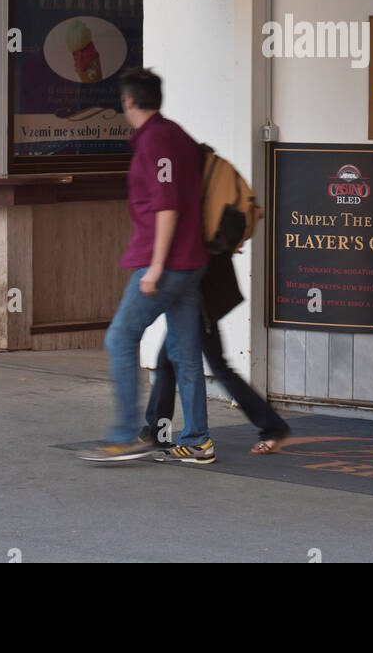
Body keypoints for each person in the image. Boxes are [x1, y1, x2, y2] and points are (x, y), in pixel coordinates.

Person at [77, 68, 214, 464]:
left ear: (128, 102)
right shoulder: (177, 134)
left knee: (120, 339)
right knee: (186, 354)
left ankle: (123, 436)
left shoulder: (155, 140)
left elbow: (167, 205)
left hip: (166, 265)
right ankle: (198, 440)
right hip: (191, 263)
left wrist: (155, 267)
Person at [142, 251, 290, 456]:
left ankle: (273, 427)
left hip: (197, 294)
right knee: (171, 362)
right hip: (198, 292)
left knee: (214, 367)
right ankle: (158, 432)